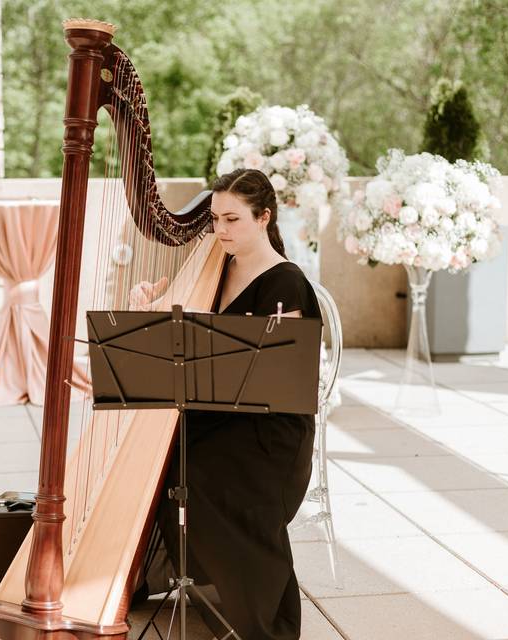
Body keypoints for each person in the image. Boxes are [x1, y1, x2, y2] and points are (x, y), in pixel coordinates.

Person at [131, 168, 321, 640]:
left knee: (202, 471)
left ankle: (263, 610)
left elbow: (280, 376)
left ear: (264, 218)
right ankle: (193, 579)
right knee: (161, 463)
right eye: (215, 219)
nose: (220, 230)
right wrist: (151, 310)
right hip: (218, 415)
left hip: (270, 432)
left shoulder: (286, 283)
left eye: (232, 219)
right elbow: (177, 346)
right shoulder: (215, 268)